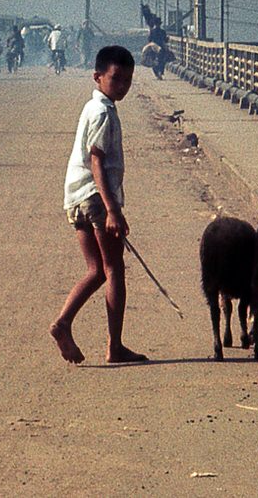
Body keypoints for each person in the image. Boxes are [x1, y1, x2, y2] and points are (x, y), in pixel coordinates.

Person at [50, 45, 147, 366]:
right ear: (98, 77)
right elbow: (97, 162)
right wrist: (113, 210)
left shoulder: (93, 107)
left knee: (95, 270)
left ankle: (63, 322)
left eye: (128, 81)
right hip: (95, 196)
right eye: (116, 79)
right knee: (114, 268)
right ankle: (115, 347)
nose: (122, 86)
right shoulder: (104, 113)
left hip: (75, 196)